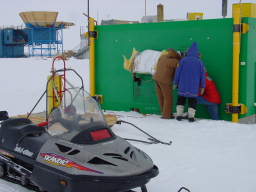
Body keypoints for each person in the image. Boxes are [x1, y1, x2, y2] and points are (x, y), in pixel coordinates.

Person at [173, 42, 206, 122]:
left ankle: (179, 115)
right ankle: (191, 117)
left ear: (189, 52)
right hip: (194, 85)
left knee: (181, 99)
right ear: (197, 53)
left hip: (183, 85)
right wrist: (203, 86)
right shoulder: (200, 62)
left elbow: (178, 73)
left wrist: (175, 82)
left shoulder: (183, 61)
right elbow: (202, 75)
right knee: (192, 100)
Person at [153, 48, 181, 119]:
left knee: (161, 96)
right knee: (168, 98)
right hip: (165, 81)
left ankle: (163, 112)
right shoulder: (174, 61)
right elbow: (180, 66)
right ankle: (166, 115)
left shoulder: (162, 57)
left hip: (156, 79)